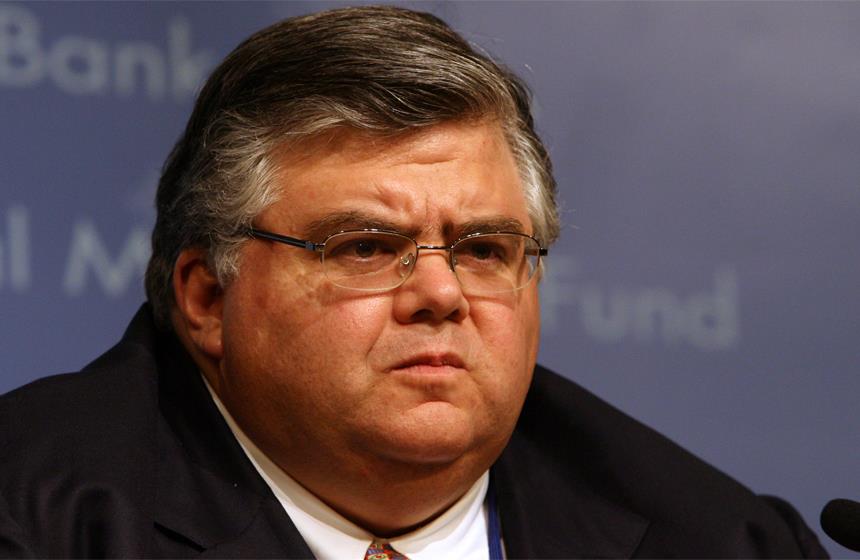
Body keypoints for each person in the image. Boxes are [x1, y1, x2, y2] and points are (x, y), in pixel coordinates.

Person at [0, 6, 827, 559]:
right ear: (209, 299)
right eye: (365, 246)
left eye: (485, 249)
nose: (442, 294)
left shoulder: (722, 542)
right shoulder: (32, 517)